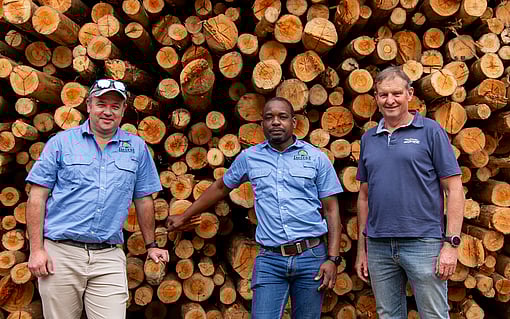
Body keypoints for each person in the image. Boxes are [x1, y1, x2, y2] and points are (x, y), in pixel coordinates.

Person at [167, 97, 343, 318]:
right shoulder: (250, 158)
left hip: (311, 257)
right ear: (262, 125)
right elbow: (221, 187)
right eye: (269, 117)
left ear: (294, 122)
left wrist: (333, 258)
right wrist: (185, 215)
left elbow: (331, 210)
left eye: (282, 117)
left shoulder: (316, 158)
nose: (276, 122)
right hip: (271, 259)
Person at [26, 79, 169, 319]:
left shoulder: (136, 147)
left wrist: (151, 245)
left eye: (115, 106)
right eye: (101, 103)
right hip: (61, 254)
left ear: (124, 110)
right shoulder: (61, 143)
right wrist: (36, 250)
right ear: (88, 105)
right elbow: (37, 197)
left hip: (108, 255)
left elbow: (144, 199)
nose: (108, 111)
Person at [355, 66, 465, 319]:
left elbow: (454, 187)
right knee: (387, 314)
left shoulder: (430, 131)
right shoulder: (369, 138)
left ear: (410, 94)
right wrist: (362, 249)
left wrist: (451, 244)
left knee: (434, 315)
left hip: (423, 242)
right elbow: (363, 196)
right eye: (383, 95)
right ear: (376, 97)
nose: (390, 100)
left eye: (396, 93)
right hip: (379, 244)